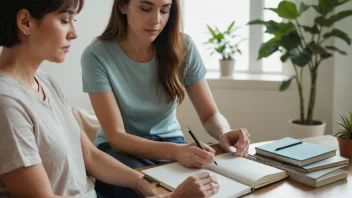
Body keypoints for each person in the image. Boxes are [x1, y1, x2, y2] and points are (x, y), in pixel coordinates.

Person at [0, 0, 220, 197]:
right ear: (26, 22)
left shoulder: (45, 82)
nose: (74, 33)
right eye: (65, 20)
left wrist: (143, 183)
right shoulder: (7, 102)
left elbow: (90, 156)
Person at [81, 0, 251, 197]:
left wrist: (224, 132)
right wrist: (176, 152)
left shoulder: (184, 46)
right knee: (146, 192)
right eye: (145, 8)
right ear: (122, 6)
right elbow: (117, 138)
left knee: (208, 189)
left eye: (164, 10)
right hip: (120, 151)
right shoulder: (96, 55)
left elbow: (210, 114)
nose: (156, 20)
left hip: (172, 144)